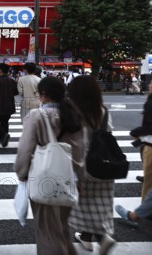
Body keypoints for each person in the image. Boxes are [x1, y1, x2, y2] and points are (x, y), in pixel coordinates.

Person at [13, 76, 84, 255]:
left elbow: (25, 148)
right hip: (70, 177)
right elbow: (81, 147)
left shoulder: (37, 116)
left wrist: (21, 172)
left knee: (48, 232)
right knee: (62, 227)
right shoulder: (74, 114)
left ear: (44, 95)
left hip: (45, 178)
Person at [67, 76, 116, 254]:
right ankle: (86, 237)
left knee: (83, 203)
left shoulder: (73, 111)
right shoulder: (102, 111)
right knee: (97, 204)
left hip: (82, 164)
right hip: (103, 163)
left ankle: (102, 238)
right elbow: (109, 133)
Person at [130, 77, 152, 201]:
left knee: (149, 183)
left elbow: (151, 126)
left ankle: (143, 216)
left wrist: (135, 132)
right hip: (150, 142)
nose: (149, 85)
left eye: (151, 83)